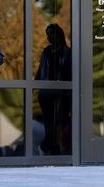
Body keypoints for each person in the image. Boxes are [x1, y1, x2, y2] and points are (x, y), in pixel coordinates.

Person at [35, 24, 72, 155]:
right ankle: (53, 147)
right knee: (49, 122)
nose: (48, 37)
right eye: (47, 34)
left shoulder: (68, 53)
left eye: (51, 33)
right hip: (47, 93)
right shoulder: (46, 51)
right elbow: (41, 70)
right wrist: (35, 84)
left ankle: (46, 146)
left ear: (59, 35)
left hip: (63, 93)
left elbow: (69, 72)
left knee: (59, 122)